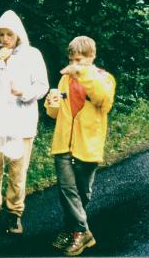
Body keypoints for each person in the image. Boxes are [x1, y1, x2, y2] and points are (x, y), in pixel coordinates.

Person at [0, 10, 49, 233]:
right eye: (1, 34)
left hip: (21, 120)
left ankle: (15, 212)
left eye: (9, 34)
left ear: (18, 35)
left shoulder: (32, 55)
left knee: (18, 170)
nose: (5, 39)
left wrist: (24, 91)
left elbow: (42, 86)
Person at [45, 36, 116, 256]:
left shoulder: (104, 78)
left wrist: (82, 73)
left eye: (79, 60)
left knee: (82, 193)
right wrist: (51, 103)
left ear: (91, 57)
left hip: (88, 145)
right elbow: (55, 114)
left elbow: (103, 102)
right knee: (68, 191)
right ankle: (82, 233)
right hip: (63, 144)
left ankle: (71, 229)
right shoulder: (64, 80)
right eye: (71, 59)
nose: (74, 64)